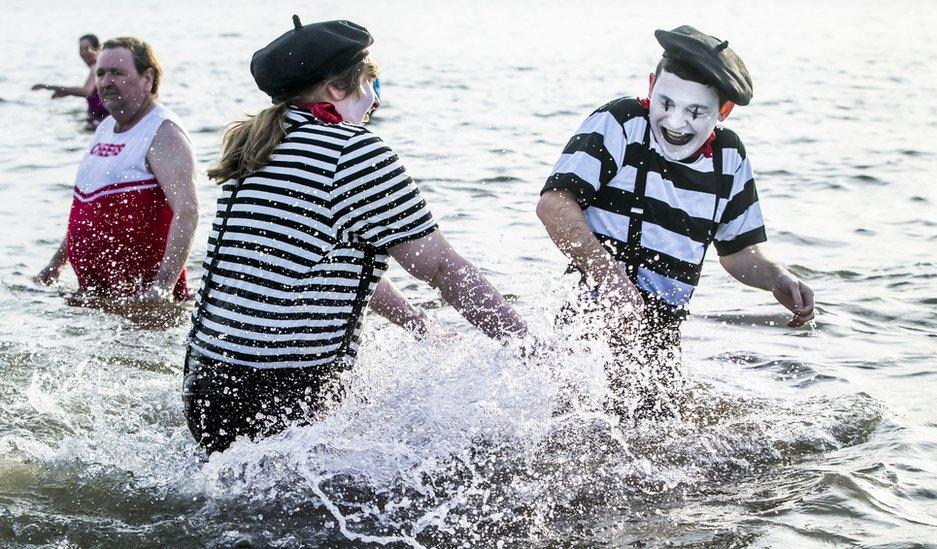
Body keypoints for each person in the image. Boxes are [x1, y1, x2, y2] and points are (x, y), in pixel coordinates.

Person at [183, 16, 527, 455]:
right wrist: (528, 350)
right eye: (371, 82)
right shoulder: (352, 150)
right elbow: (441, 266)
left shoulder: (257, 147)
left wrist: (420, 326)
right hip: (283, 398)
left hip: (207, 386)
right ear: (336, 90)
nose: (374, 102)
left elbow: (323, 259)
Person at [536, 26, 815, 418]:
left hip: (663, 334)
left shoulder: (728, 157)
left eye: (695, 111)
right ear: (652, 85)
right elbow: (554, 205)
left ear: (723, 112)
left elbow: (738, 252)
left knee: (661, 441)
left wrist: (776, 278)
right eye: (665, 102)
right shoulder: (620, 122)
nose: (675, 122)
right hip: (593, 318)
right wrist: (613, 283)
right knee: (580, 432)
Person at [35, 37, 198, 302]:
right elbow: (87, 206)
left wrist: (162, 288)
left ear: (147, 79)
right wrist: (55, 265)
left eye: (116, 73)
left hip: (142, 301)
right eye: (100, 73)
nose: (106, 81)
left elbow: (188, 211)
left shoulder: (164, 133)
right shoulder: (105, 127)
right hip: (95, 295)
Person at [32, 34, 110, 125]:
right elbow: (93, 93)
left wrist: (49, 87)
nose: (84, 52)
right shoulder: (100, 66)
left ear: (97, 49)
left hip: (102, 120)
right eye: (81, 49)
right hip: (99, 119)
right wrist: (67, 92)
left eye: (87, 48)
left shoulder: (96, 67)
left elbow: (87, 91)